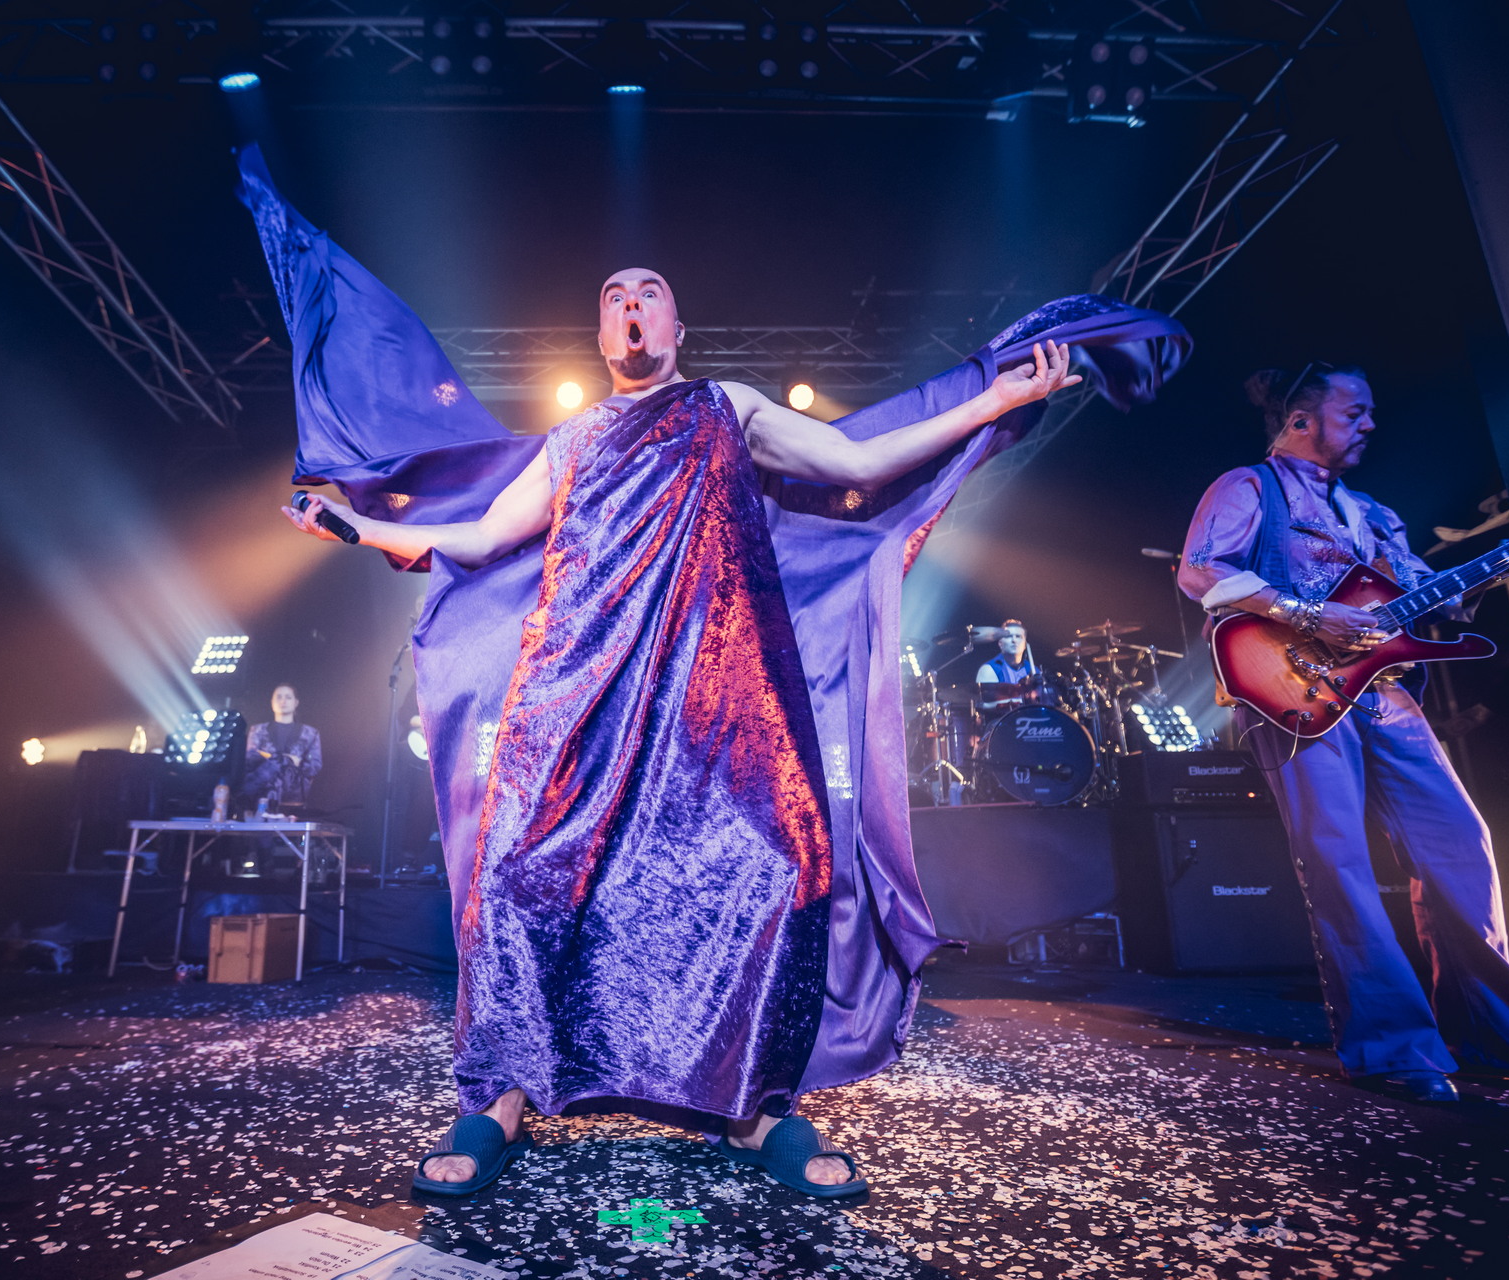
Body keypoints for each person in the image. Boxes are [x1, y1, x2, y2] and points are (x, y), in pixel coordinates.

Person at [240, 142, 1189, 1197]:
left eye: (649, 293)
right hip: (578, 694)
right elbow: (477, 537)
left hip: (720, 697)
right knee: (520, 877)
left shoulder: (728, 405)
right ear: (601, 333)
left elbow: (859, 463)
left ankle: (756, 1107)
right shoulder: (572, 437)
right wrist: (363, 526)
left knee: (772, 872)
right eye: (615, 297)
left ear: (677, 327)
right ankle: (498, 1098)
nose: (632, 306)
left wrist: (992, 403)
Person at [1177, 362, 1509, 1103]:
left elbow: (1429, 596)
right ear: (1301, 420)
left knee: (1459, 842)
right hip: (1293, 688)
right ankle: (1393, 1050)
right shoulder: (1249, 487)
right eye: (1356, 412)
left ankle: (1500, 1037)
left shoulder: (1372, 512)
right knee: (1338, 861)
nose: (1371, 424)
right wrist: (1310, 614)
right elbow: (1200, 571)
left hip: (1384, 691)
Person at [242, 684, 322, 813]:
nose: (283, 701)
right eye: (279, 697)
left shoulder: (310, 733)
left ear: (296, 702)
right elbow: (250, 758)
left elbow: (315, 765)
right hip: (261, 798)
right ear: (272, 702)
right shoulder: (257, 730)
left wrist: (298, 764)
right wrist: (285, 759)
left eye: (288, 697)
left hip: (294, 799)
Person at [975, 620, 1040, 712]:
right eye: (1009, 636)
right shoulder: (989, 670)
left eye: (1018, 636)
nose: (1014, 640)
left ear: (1025, 644)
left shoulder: (1034, 671)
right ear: (1000, 643)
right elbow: (985, 706)